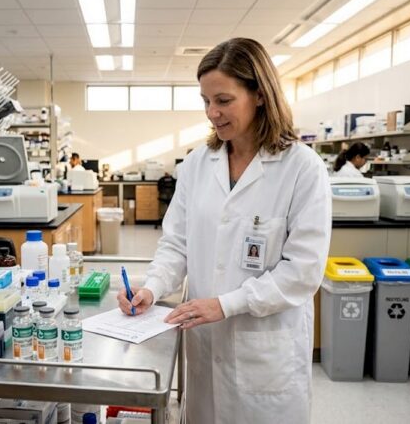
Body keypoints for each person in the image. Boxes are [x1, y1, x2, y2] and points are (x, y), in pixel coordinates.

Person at [117, 38, 331, 423]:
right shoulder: (198, 164)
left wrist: (226, 304)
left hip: (264, 352)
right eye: (205, 101)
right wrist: (153, 287)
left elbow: (303, 272)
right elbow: (176, 244)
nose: (212, 113)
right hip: (203, 346)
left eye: (224, 100)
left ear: (260, 95)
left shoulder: (302, 168)